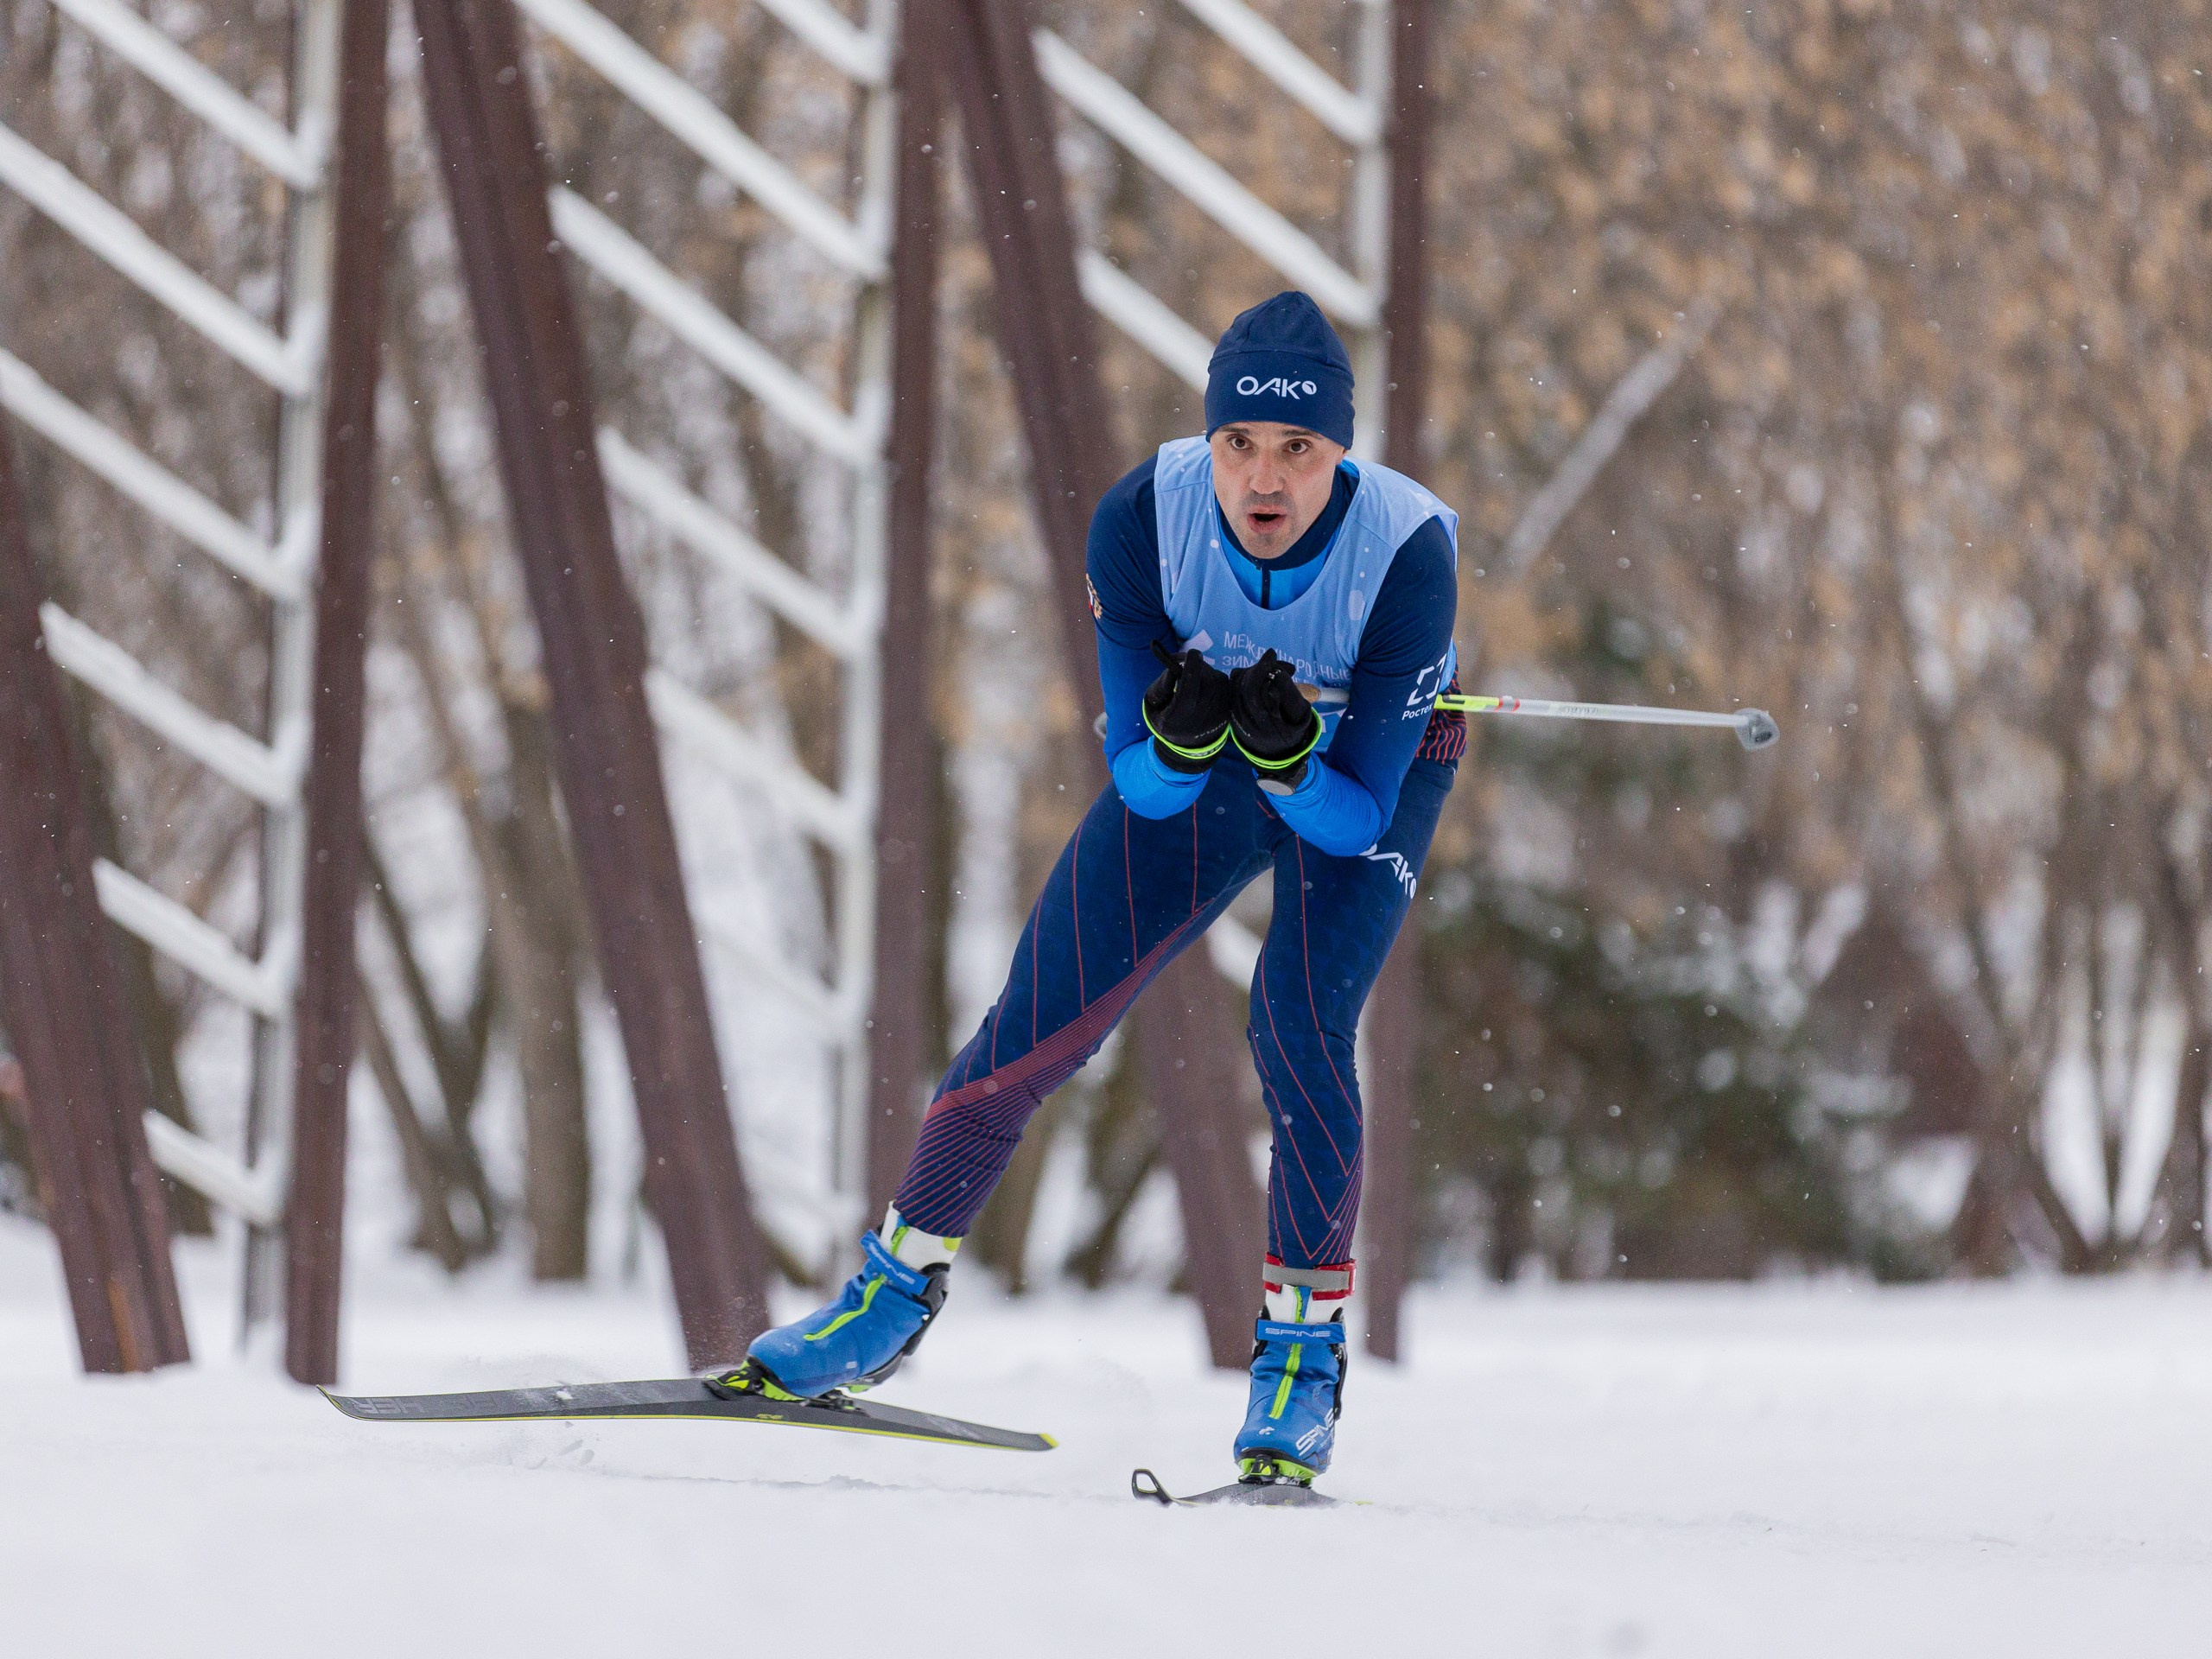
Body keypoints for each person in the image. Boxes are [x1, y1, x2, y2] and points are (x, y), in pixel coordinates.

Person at [717, 290, 1465, 1488]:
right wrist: (1179, 743)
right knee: (1036, 1024)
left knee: (1296, 1026)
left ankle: (1299, 1363)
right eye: (1240, 445)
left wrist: (1288, 756)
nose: (1264, 480)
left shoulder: (1410, 553)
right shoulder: (1143, 519)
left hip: (1364, 770)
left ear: (1341, 453)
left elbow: (1354, 813)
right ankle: (887, 1298)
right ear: (1209, 441)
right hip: (1212, 764)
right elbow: (1145, 786)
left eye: (1299, 451)